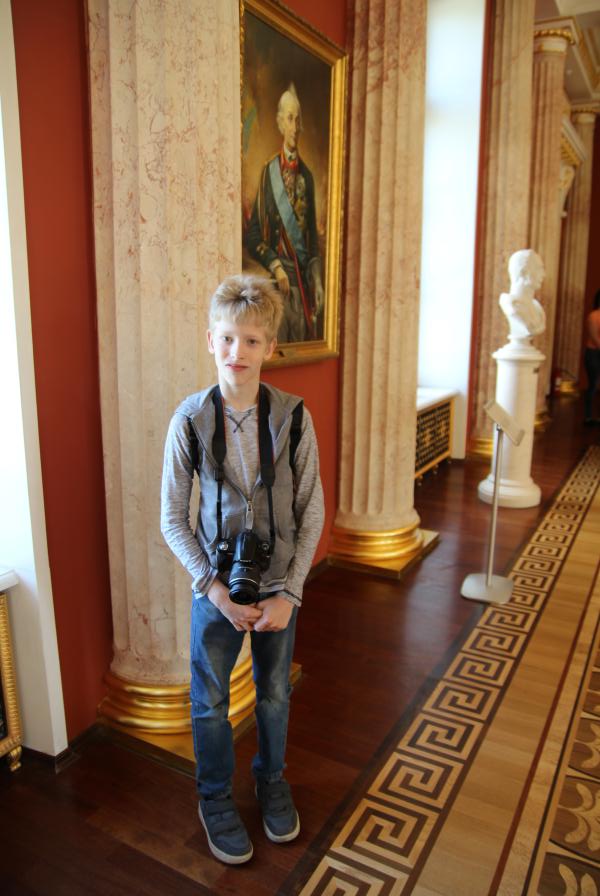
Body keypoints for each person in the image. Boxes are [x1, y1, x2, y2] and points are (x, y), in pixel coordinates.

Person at [160, 274, 324, 865]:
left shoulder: (293, 416)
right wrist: (213, 590)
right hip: (215, 589)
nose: (238, 352)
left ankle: (271, 780)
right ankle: (214, 798)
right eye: (228, 338)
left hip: (278, 588)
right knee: (208, 701)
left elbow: (311, 510)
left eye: (252, 341)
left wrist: (291, 594)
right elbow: (172, 517)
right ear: (211, 339)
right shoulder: (189, 419)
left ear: (269, 348)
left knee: (274, 695)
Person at [246, 84, 324, 343]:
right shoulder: (268, 173)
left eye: (298, 120)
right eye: (290, 119)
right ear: (280, 123)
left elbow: (311, 240)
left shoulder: (307, 177)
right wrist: (276, 265)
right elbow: (253, 235)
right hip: (276, 286)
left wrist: (317, 279)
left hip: (301, 286)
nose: (295, 126)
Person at [499, 249, 546, 346]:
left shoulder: (537, 308)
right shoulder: (510, 305)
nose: (543, 275)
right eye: (539, 269)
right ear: (524, 272)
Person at [584, 289, 600, 425]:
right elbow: (595, 337)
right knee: (593, 385)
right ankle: (588, 416)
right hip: (593, 354)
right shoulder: (594, 316)